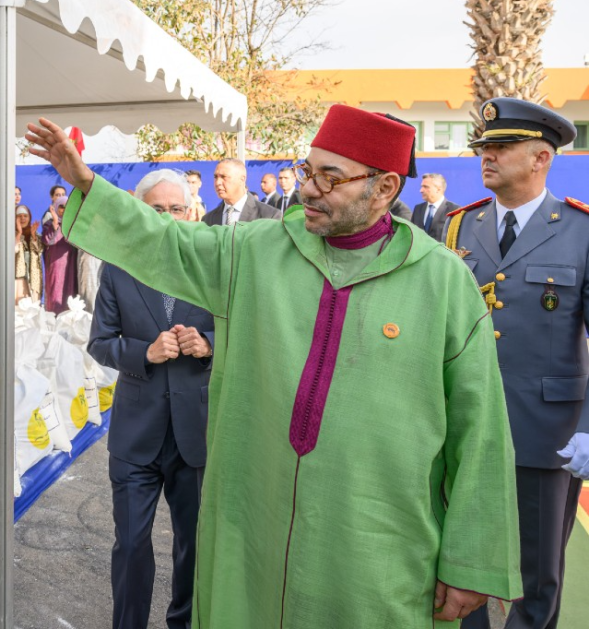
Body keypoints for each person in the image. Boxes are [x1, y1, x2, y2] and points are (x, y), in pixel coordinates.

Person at [26, 110, 522, 627]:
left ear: (385, 188)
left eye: (330, 177)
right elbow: (167, 243)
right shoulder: (257, 251)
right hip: (258, 530)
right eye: (308, 171)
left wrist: (470, 561)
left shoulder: (441, 282)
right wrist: (86, 183)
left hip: (377, 547)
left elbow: (480, 428)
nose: (308, 189)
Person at [446, 98, 588, 629]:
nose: (487, 156)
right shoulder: (460, 227)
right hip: (467, 424)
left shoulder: (580, 230)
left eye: (502, 148)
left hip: (547, 429)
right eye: (484, 147)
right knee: (463, 558)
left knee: (537, 572)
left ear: (541, 158)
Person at [87, 170, 214, 629]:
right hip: (136, 435)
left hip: (193, 434)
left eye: (175, 209)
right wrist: (146, 351)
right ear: (141, 212)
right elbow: (100, 343)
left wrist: (210, 344)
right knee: (133, 544)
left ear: (189, 211)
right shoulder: (118, 267)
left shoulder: (207, 262)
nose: (166, 218)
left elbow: (242, 326)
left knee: (193, 546)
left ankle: (183, 622)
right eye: (156, 209)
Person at [202, 159, 279, 226]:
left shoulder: (269, 216)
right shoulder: (208, 220)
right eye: (216, 177)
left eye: (223, 177)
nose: (218, 182)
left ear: (242, 179)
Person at [41, 196, 78, 314]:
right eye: (61, 207)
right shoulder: (50, 223)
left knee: (70, 290)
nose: (64, 209)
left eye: (67, 207)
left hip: (71, 263)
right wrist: (56, 223)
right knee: (56, 290)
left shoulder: (74, 223)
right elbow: (48, 240)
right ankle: (54, 319)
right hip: (56, 263)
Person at [410, 173, 457, 241]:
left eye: (425, 187)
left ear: (438, 189)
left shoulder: (454, 210)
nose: (421, 190)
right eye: (421, 187)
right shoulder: (418, 209)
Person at [14, 205, 43, 303]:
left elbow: (39, 250)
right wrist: (19, 233)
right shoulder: (10, 233)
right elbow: (12, 251)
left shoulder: (35, 233)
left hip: (33, 274)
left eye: (25, 216)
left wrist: (33, 235)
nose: (22, 219)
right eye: (19, 216)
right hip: (18, 275)